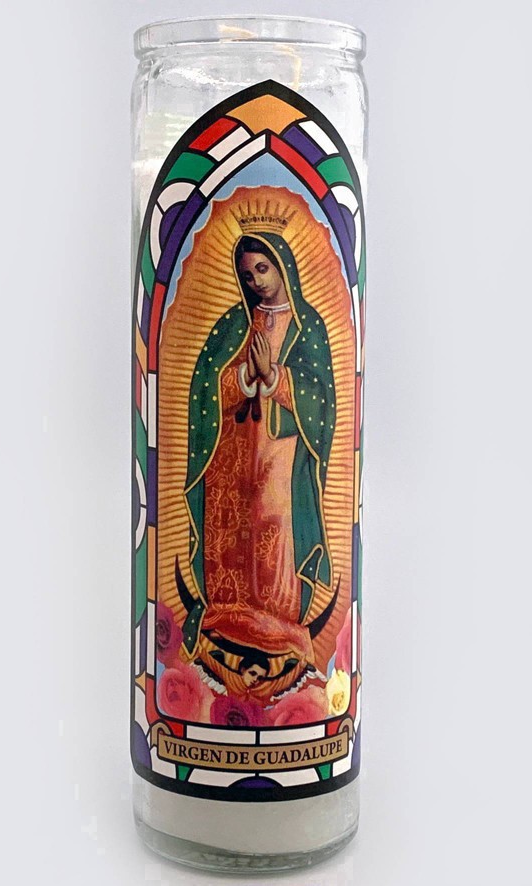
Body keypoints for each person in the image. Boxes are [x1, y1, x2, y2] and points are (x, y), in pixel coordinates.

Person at [178, 225, 338, 702]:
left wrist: (277, 376)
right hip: (230, 453)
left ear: (284, 267)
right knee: (230, 535)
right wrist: (246, 375)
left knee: (273, 532)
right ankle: (227, 621)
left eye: (263, 269)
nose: (257, 282)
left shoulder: (308, 327)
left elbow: (321, 397)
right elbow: (205, 386)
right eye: (248, 275)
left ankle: (277, 629)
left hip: (279, 455)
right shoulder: (234, 324)